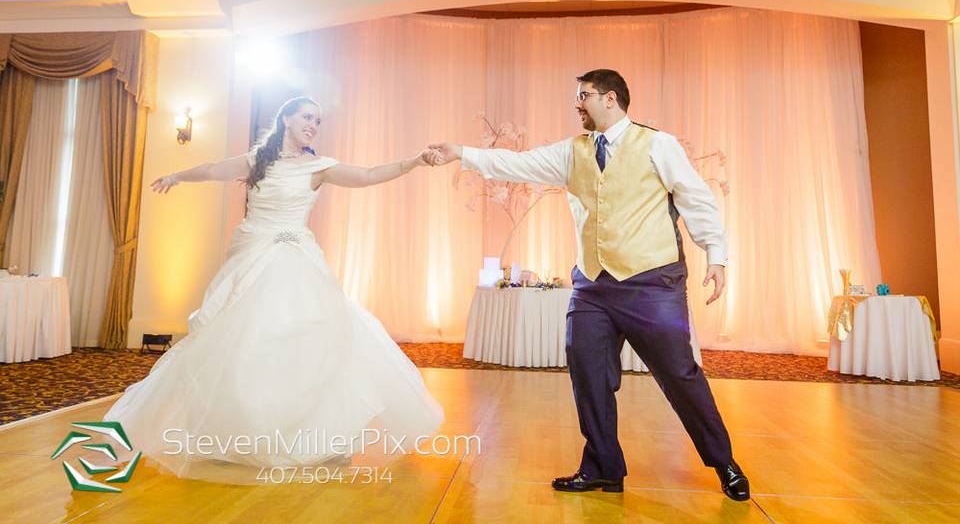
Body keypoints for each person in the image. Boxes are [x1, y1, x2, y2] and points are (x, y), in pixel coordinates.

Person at [428, 69, 749, 500]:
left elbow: (695, 198)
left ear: (611, 98)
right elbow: (516, 164)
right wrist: (461, 152)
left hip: (652, 282)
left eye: (584, 95)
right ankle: (603, 467)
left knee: (679, 374)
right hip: (592, 287)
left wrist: (717, 255)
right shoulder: (572, 152)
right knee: (589, 375)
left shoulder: (658, 144)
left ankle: (724, 463)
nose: (577, 103)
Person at [103, 96, 444, 483]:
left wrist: (413, 162)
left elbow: (365, 176)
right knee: (242, 344)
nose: (314, 124)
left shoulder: (318, 166)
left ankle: (302, 435)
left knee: (297, 341)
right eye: (307, 117)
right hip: (250, 257)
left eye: (319, 120)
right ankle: (245, 434)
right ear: (286, 118)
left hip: (293, 260)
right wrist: (177, 176)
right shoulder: (257, 160)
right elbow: (215, 168)